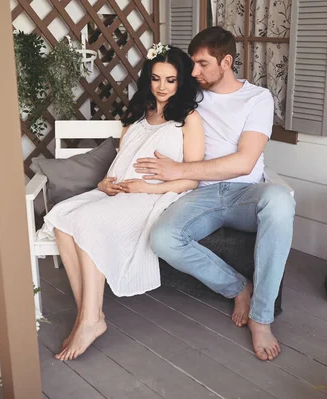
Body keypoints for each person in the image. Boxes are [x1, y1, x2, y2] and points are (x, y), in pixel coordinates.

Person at [37, 45, 205, 361]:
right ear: (148, 80)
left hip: (154, 197)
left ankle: (89, 319)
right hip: (118, 191)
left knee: (87, 222)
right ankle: (90, 316)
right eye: (156, 79)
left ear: (181, 81)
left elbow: (192, 179)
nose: (163, 87)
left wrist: (147, 188)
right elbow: (122, 161)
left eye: (171, 80)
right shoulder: (138, 115)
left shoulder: (188, 119)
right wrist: (103, 183)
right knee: (60, 218)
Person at [142, 27, 296, 361]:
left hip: (246, 194)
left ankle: (261, 317)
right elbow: (153, 100)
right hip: (202, 195)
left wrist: (179, 170)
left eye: (202, 64)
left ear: (225, 62)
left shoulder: (257, 98)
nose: (194, 72)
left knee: (281, 200)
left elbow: (244, 162)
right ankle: (238, 287)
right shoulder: (190, 93)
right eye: (192, 65)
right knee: (163, 238)